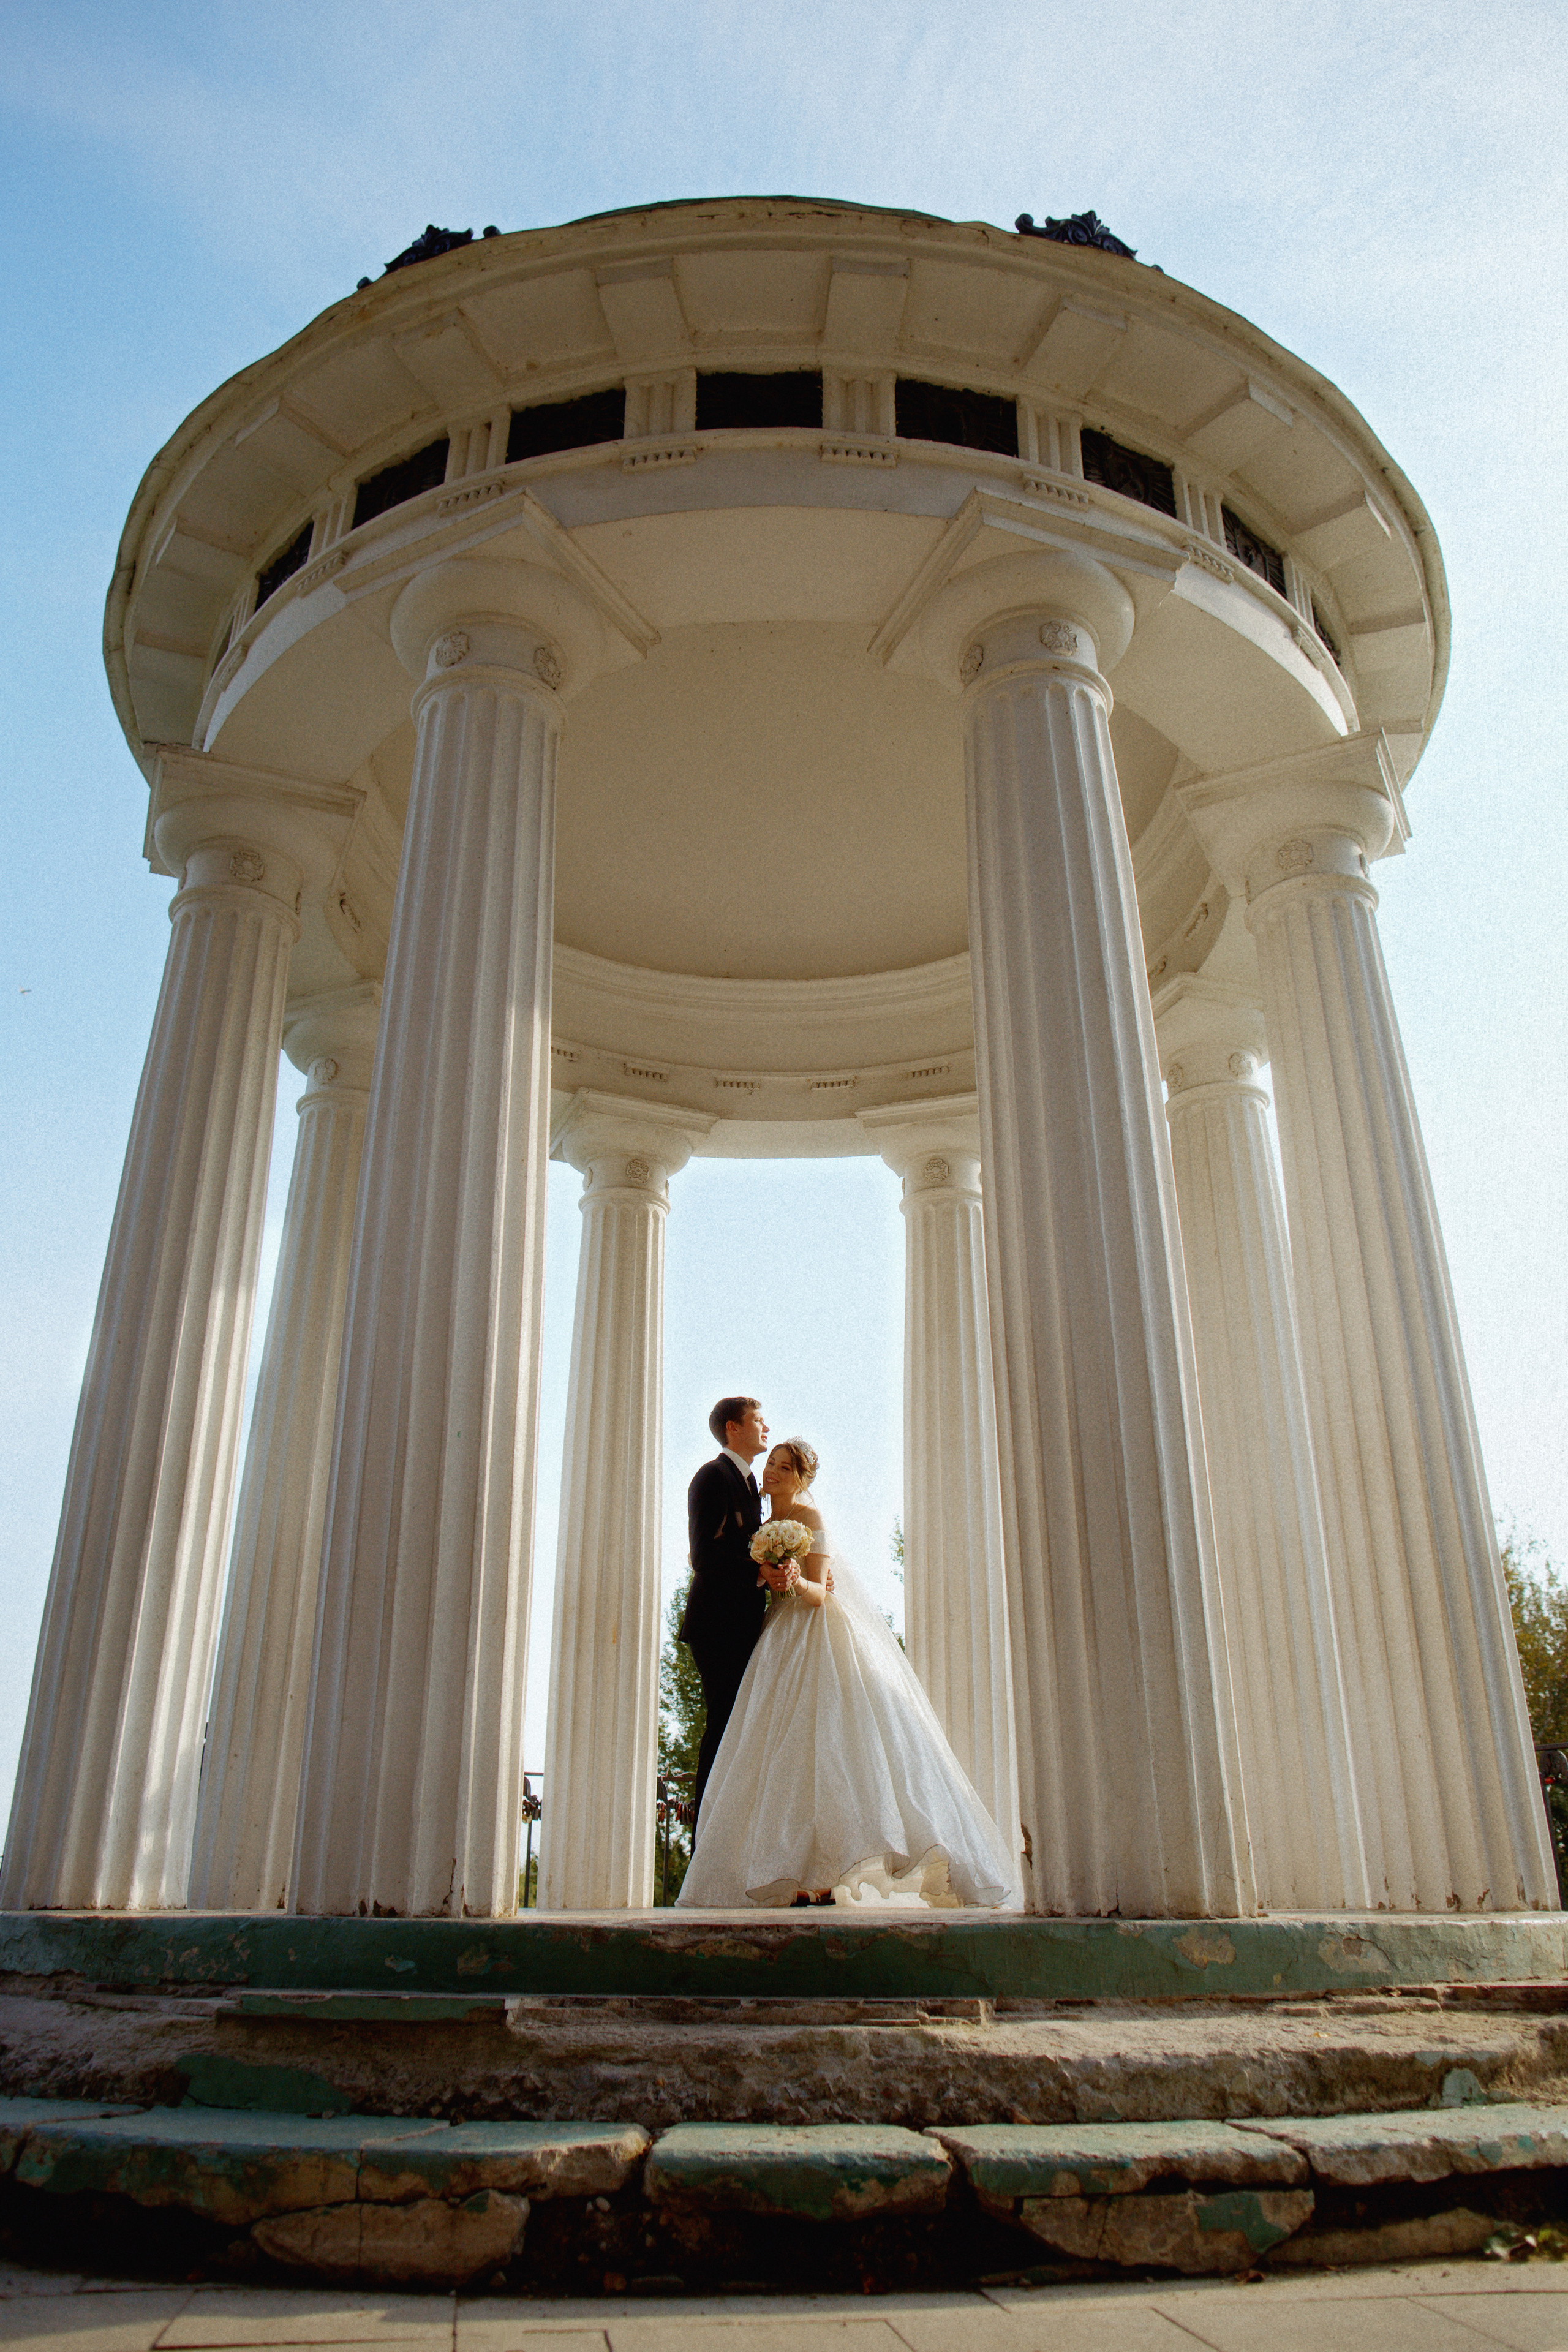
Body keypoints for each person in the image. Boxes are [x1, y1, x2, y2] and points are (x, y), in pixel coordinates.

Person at [677, 1438, 1014, 1909]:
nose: (772, 1471)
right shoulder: (761, 1523)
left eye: (783, 1466)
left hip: (811, 1633)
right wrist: (768, 1576)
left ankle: (844, 1868)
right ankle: (793, 1873)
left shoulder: (809, 1520)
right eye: (771, 1463)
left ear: (800, 1478)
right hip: (772, 1637)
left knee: (831, 1750)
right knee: (780, 1757)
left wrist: (795, 1578)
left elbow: (820, 1593)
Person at [680, 1396, 769, 1823]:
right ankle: (705, 1843)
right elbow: (704, 1557)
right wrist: (759, 1571)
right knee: (723, 1727)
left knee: (739, 1730)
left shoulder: (753, 1484)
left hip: (746, 1623)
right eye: (757, 1420)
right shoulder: (712, 1477)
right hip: (717, 1625)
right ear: (734, 1428)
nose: (765, 1427)